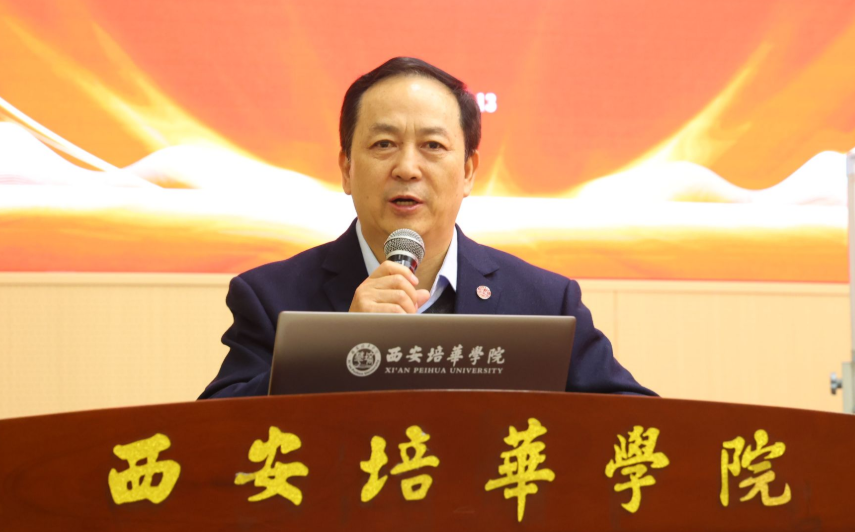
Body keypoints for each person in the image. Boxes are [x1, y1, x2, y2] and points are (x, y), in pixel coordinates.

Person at [199, 57, 656, 398]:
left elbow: (638, 425)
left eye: (433, 146)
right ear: (346, 168)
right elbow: (215, 434)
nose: (407, 168)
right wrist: (337, 349)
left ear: (469, 172)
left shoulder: (545, 303)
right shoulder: (270, 297)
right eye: (384, 144)